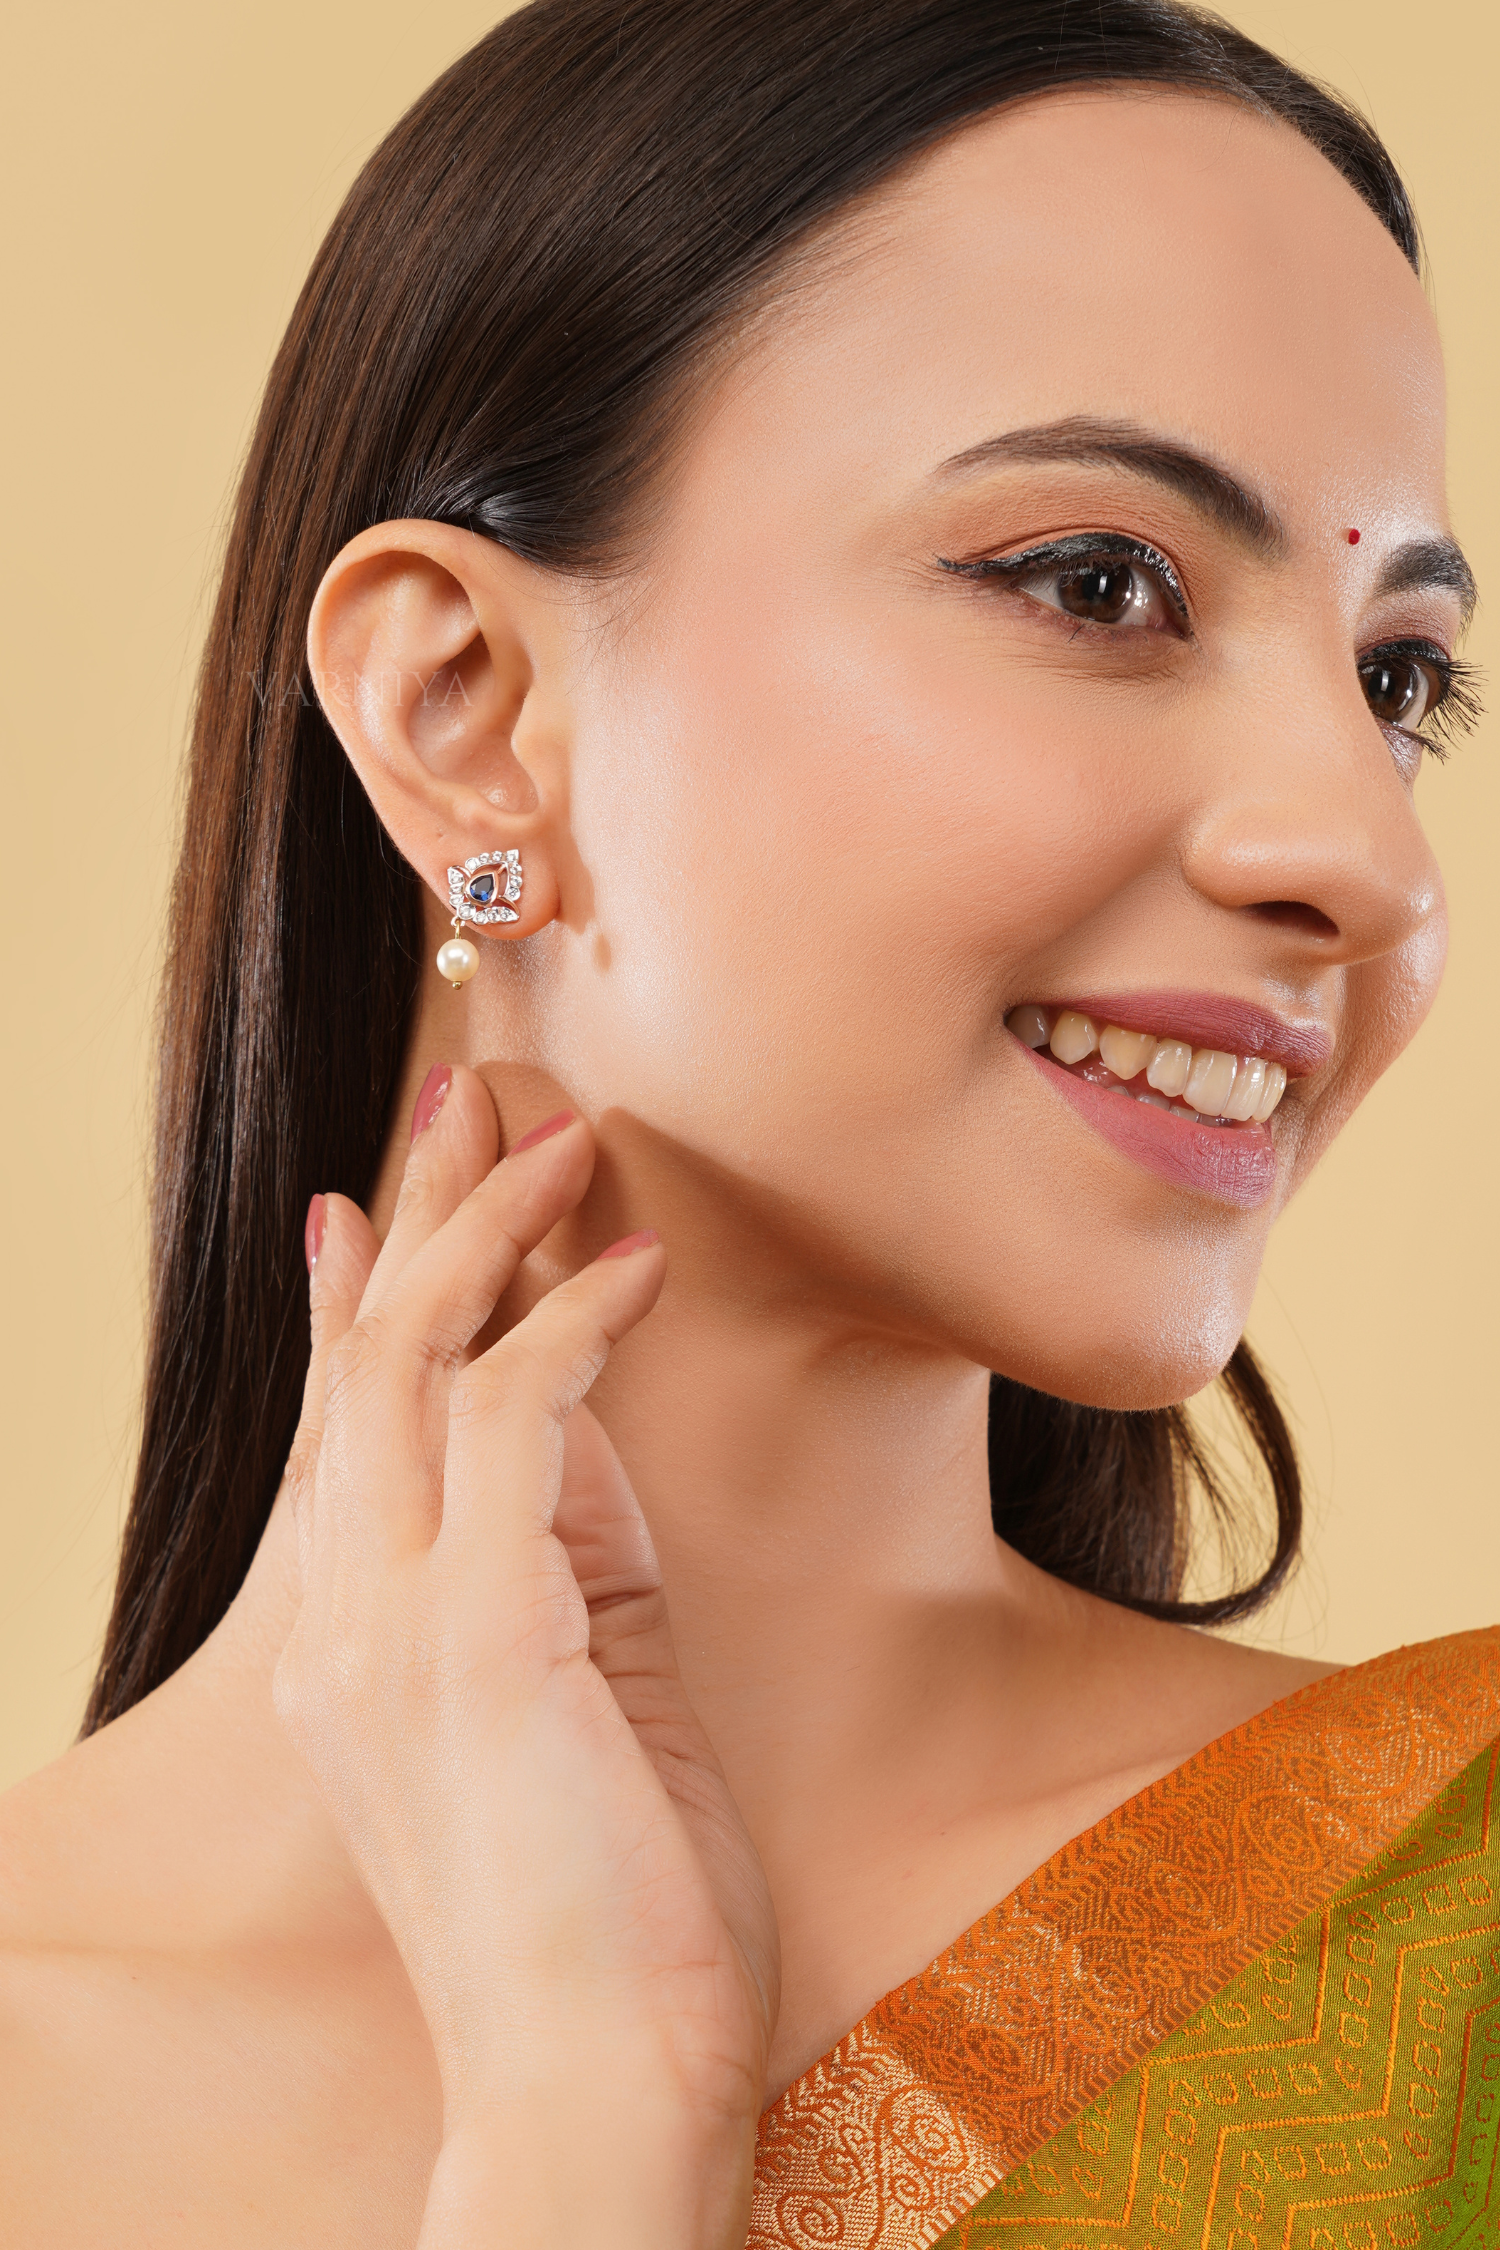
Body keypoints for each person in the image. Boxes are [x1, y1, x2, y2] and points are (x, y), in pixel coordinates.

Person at [1, 0, 1494, 2242]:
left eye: (1399, 685)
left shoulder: (1448, 1947)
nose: (1371, 862)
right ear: (464, 712)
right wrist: (584, 2110)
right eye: (1099, 584)